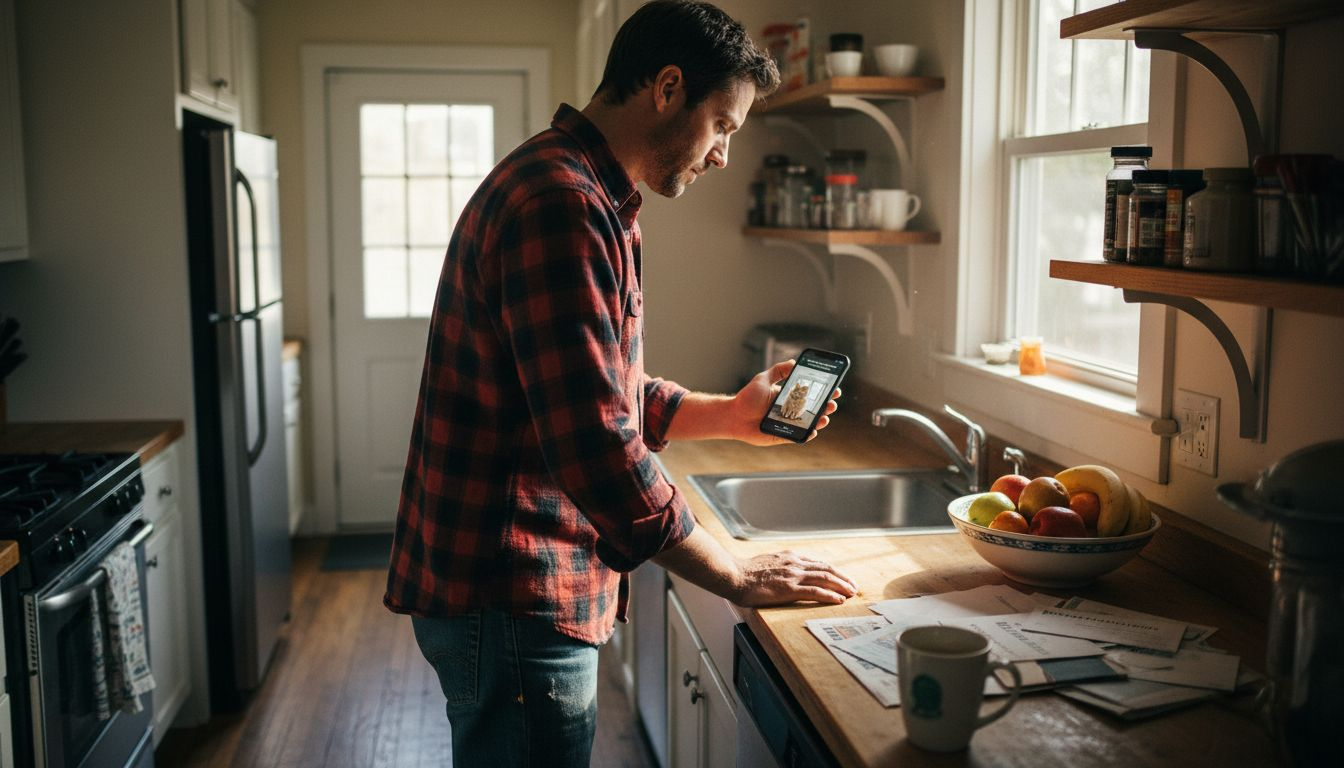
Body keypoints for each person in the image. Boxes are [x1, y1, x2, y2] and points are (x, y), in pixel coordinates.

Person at [384, 2, 858, 764]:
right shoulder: (562, 204)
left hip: (512, 586)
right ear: (667, 89)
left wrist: (731, 414)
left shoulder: (588, 194)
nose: (723, 155)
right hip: (511, 589)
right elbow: (596, 445)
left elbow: (597, 388)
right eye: (723, 125)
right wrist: (734, 571)